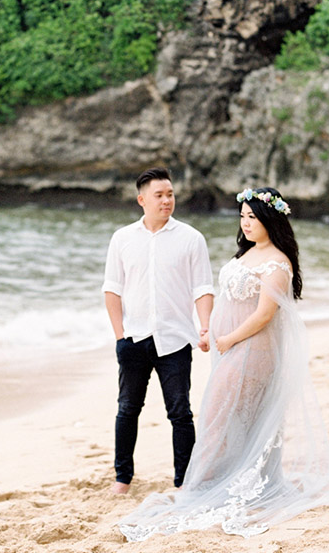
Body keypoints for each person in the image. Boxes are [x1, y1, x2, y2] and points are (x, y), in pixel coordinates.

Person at [118, 187, 329, 541]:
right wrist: (209, 332)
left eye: (253, 218)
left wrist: (229, 339)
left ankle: (199, 487)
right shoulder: (247, 254)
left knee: (218, 415)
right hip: (229, 349)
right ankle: (220, 481)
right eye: (243, 216)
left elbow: (264, 315)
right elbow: (228, 302)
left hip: (253, 350)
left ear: (270, 220)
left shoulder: (277, 261)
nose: (246, 223)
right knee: (229, 417)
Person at [102, 167, 215, 495]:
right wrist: (119, 336)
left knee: (180, 412)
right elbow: (112, 290)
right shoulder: (122, 238)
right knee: (127, 409)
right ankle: (122, 479)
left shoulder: (192, 238)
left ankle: (185, 481)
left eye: (170, 194)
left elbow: (203, 288)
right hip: (133, 339)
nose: (167, 200)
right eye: (159, 195)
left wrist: (204, 327)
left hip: (177, 338)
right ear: (142, 200)